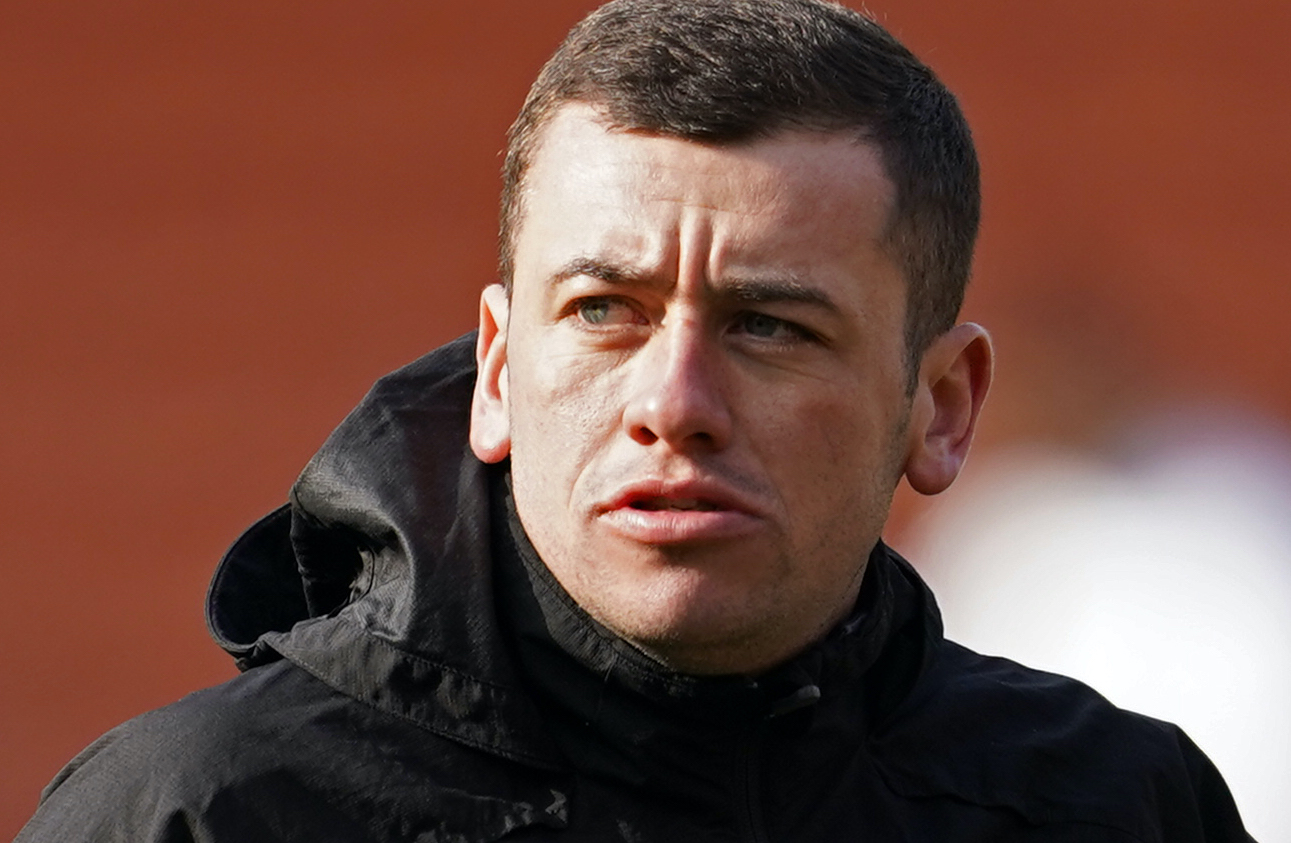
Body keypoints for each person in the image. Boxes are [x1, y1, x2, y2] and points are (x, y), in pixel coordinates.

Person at [17, 0, 1254, 840]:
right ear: (499, 371)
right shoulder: (204, 816)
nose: (673, 405)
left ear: (940, 407)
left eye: (770, 326)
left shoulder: (1113, 807)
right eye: (605, 311)